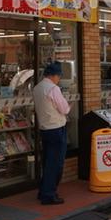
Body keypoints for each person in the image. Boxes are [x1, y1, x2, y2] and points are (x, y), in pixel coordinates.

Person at [33, 62, 70, 205]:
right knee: (56, 164)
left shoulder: (37, 88)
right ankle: (49, 194)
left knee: (47, 162)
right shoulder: (53, 89)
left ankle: (43, 190)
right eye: (59, 76)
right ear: (55, 75)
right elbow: (64, 109)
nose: (59, 79)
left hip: (44, 129)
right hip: (56, 129)